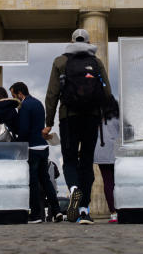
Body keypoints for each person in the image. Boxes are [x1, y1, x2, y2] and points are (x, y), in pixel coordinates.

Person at [43, 28, 112, 225]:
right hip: (91, 117)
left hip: (68, 117)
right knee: (87, 162)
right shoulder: (96, 63)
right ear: (89, 42)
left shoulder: (60, 61)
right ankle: (84, 210)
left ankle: (73, 189)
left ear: (71, 41)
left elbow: (52, 94)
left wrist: (48, 123)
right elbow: (107, 92)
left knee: (70, 159)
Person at [9, 81, 64, 224]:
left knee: (33, 183)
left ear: (20, 93)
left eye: (14, 95)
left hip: (31, 148)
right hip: (43, 147)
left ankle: (36, 215)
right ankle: (57, 210)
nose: (14, 98)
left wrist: (18, 141)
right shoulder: (38, 103)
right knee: (46, 181)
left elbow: (24, 129)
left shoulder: (24, 106)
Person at [94, 96, 120, 223]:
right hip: (117, 152)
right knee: (119, 183)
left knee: (108, 183)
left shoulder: (97, 119)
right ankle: (122, 208)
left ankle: (113, 212)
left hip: (102, 153)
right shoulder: (118, 117)